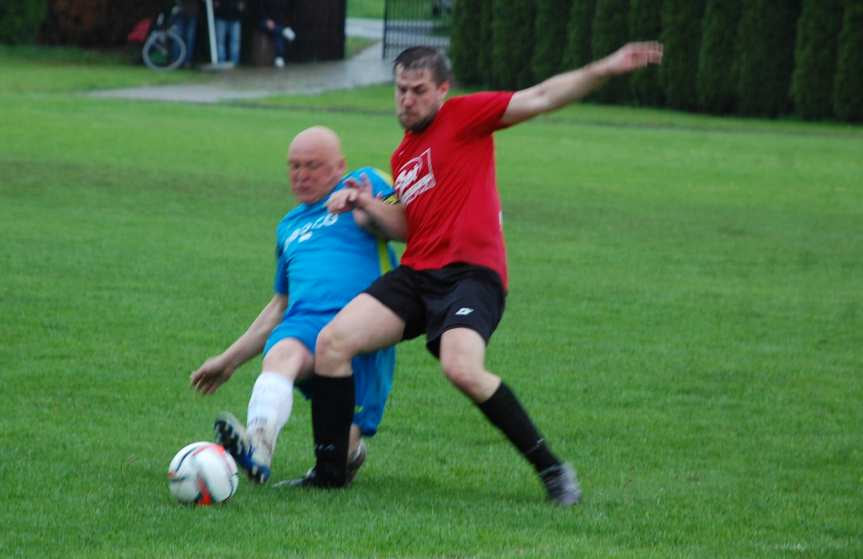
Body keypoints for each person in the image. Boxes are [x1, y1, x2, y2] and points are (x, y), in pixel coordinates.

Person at [302, 42, 664, 505]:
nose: (406, 100)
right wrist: (364, 202)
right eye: (400, 90)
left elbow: (542, 96)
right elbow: (409, 228)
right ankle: (330, 473)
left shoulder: (465, 116)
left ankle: (552, 469)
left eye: (418, 90)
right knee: (332, 343)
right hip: (419, 273)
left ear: (442, 90)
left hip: (473, 275)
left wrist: (606, 68)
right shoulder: (403, 157)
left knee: (461, 367)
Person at [190, 126, 407, 484]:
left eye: (312, 166)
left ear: (340, 166)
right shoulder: (288, 226)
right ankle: (258, 446)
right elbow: (280, 305)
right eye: (294, 166)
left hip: (362, 325)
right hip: (305, 323)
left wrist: (363, 204)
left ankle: (349, 454)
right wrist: (228, 361)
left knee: (338, 456)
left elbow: (409, 222)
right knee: (281, 353)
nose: (301, 175)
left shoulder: (367, 182)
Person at [258, 0, 295, 68]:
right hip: (262, 21)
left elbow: (285, 13)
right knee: (278, 31)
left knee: (278, 34)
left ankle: (279, 57)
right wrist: (267, 20)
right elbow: (260, 10)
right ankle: (283, 31)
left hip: (277, 24)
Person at [214, 0, 246, 66]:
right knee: (220, 41)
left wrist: (241, 4)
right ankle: (221, 61)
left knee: (235, 41)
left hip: (235, 16)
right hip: (221, 15)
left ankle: (234, 62)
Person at [172, 0, 200, 68]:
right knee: (178, 38)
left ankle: (187, 62)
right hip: (181, 12)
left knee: (189, 39)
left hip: (192, 12)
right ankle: (176, 61)